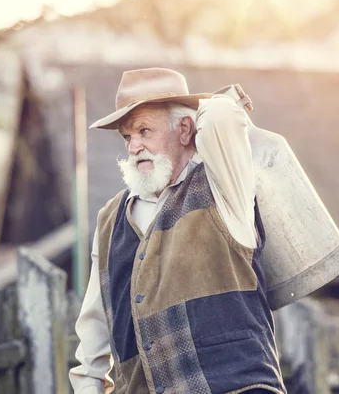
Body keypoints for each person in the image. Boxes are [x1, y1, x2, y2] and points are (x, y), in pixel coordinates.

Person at [69, 67, 286, 394]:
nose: (133, 147)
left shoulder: (225, 187)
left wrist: (194, 105)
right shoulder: (110, 218)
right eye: (127, 136)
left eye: (144, 130)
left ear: (186, 129)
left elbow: (222, 115)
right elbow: (93, 333)